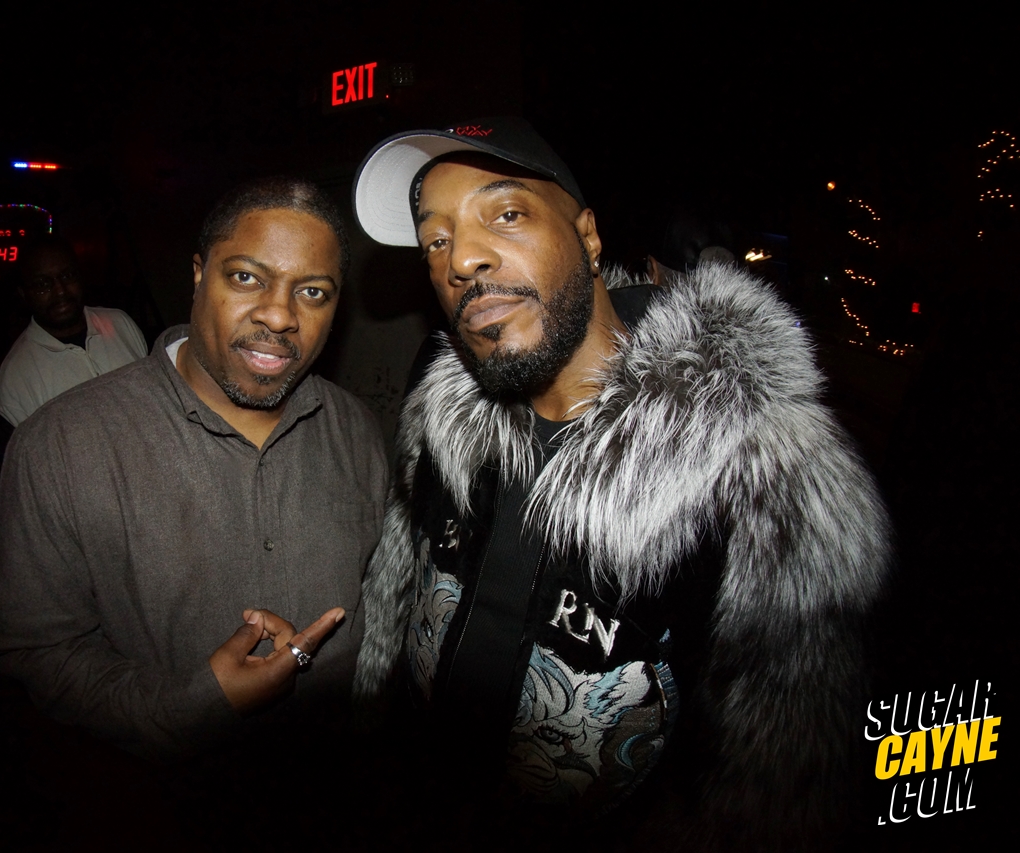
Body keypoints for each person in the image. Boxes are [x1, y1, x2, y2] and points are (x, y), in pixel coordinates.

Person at [351, 118, 891, 847]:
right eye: (435, 242)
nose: (462, 260)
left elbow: (777, 789)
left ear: (589, 236)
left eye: (505, 214)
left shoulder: (766, 472)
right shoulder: (438, 420)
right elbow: (397, 617)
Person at [0, 177, 388, 761]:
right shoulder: (59, 447)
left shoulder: (356, 431)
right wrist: (186, 707)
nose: (279, 315)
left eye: (313, 291)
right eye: (246, 277)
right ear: (199, 275)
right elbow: (36, 651)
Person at [0, 235, 147, 427]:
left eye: (67, 276)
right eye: (43, 284)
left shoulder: (120, 323)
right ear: (24, 294)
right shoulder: (15, 379)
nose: (60, 291)